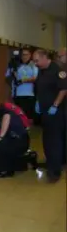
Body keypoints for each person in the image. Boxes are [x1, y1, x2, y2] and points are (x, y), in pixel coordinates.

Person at [34, 49, 67, 183]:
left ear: (45, 58)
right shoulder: (41, 71)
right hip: (44, 111)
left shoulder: (57, 70)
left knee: (54, 141)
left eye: (37, 60)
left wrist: (55, 105)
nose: (35, 63)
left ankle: (55, 171)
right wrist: (38, 101)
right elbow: (40, 88)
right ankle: (51, 163)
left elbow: (64, 89)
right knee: (47, 140)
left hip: (56, 113)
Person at [0, 98, 30, 178]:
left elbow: (7, 117)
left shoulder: (3, 110)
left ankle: (4, 170)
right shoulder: (2, 111)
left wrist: (1, 137)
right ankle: (24, 161)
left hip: (19, 142)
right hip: (21, 141)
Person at [5, 48, 39, 123]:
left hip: (29, 95)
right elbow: (8, 77)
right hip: (17, 94)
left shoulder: (33, 65)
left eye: (26, 54)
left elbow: (35, 78)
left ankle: (28, 131)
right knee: (19, 116)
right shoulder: (17, 65)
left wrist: (23, 81)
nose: (24, 56)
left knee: (28, 117)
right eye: (23, 55)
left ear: (30, 55)